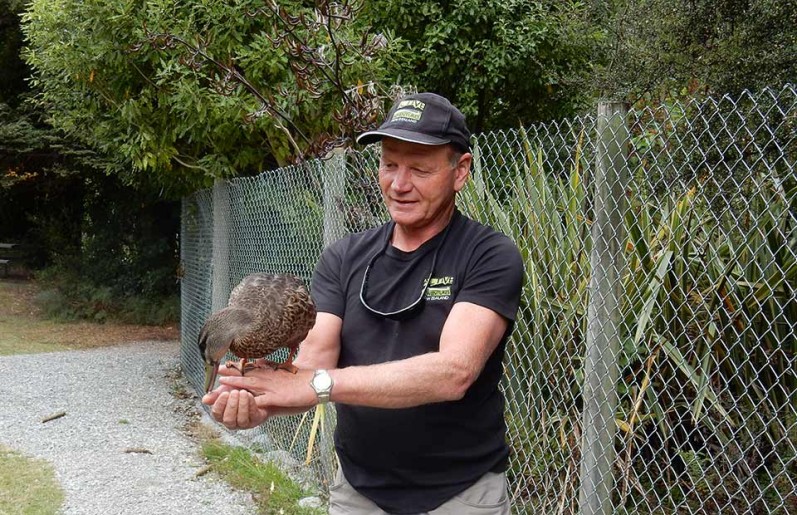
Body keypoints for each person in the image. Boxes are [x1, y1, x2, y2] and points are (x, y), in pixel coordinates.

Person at [202, 92, 524, 514]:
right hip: (358, 493)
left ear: (460, 171)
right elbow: (313, 360)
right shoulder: (346, 256)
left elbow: (453, 373)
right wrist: (256, 401)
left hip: (459, 494)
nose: (399, 183)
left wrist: (317, 385)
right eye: (389, 164)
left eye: (420, 169)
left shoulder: (488, 255)